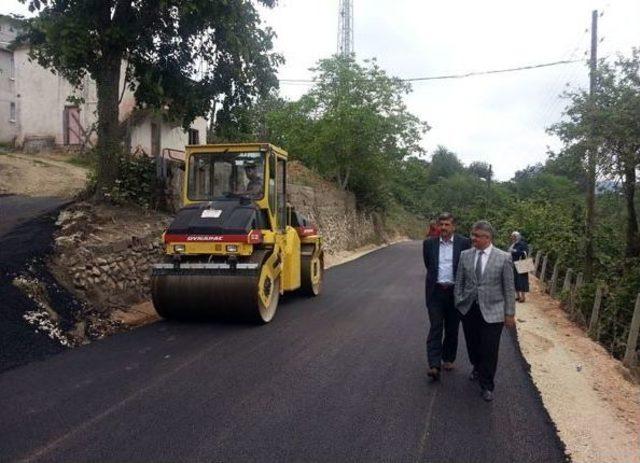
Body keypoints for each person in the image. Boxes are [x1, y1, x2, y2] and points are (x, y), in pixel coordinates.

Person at [454, 220, 515, 402]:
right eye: (472, 234)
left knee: (489, 348)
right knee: (473, 345)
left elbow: (509, 288)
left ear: (487, 238)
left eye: (477, 236)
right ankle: (476, 366)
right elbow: (459, 281)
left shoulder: (504, 257)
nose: (473, 238)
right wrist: (458, 301)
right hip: (469, 309)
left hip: (493, 311)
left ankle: (487, 384)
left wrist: (509, 313)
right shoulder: (465, 255)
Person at [422, 212, 471, 381]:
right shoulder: (429, 244)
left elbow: (467, 267)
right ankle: (434, 364)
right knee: (436, 326)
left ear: (453, 226)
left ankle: (448, 358)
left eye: (447, 224)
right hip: (435, 292)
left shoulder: (464, 243)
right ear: (437, 226)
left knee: (452, 328)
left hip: (455, 293)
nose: (443, 227)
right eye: (441, 224)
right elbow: (429, 265)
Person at [508, 231, 530, 303]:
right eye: (512, 237)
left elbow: (524, 252)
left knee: (522, 280)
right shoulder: (514, 244)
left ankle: (523, 297)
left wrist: (514, 251)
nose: (512, 238)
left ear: (517, 236)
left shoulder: (522, 244)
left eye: (513, 236)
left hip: (521, 263)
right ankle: (518, 296)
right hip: (514, 264)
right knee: (515, 280)